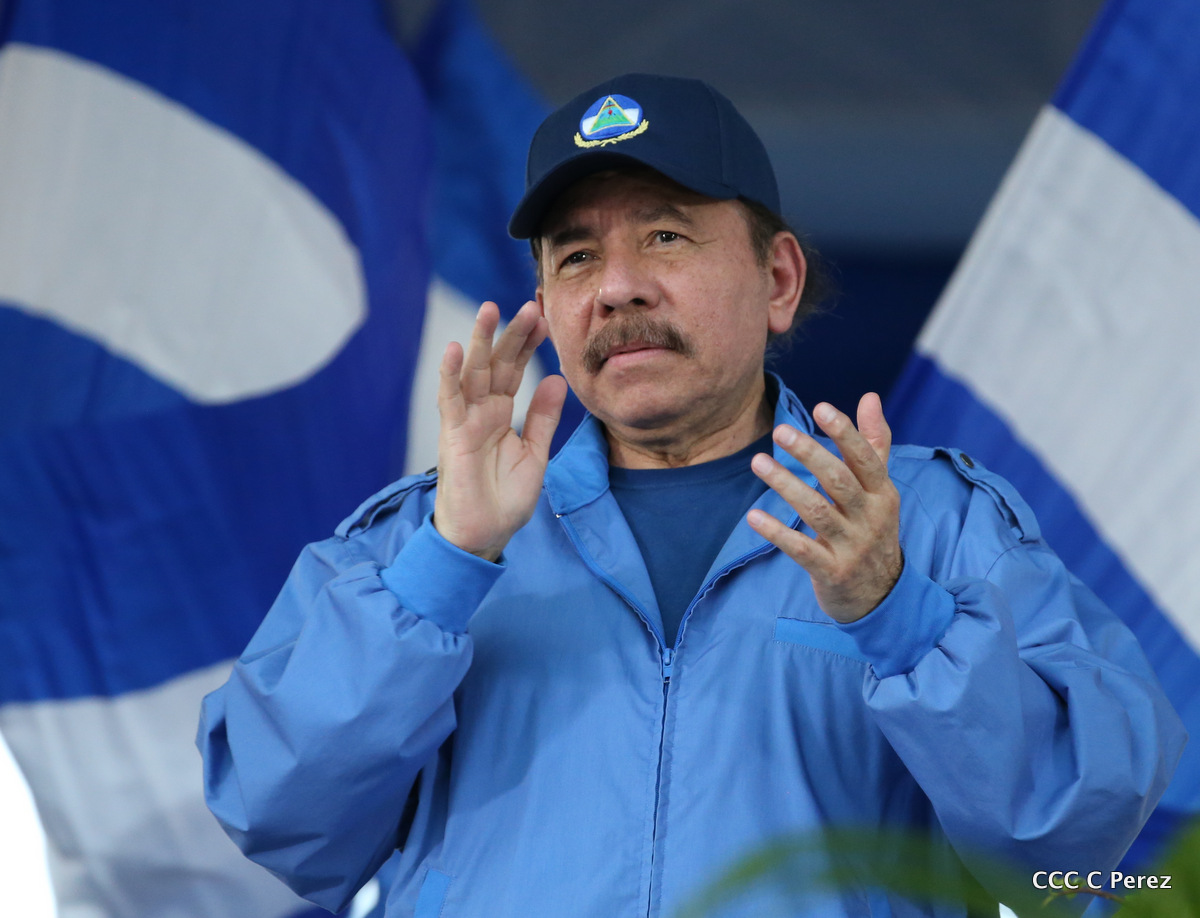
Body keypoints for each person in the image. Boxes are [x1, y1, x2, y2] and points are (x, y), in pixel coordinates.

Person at [198, 74, 1185, 917]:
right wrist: (447, 567)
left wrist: (902, 616)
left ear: (778, 279)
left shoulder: (934, 525)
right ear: (549, 304)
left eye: (665, 236)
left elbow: (1071, 846)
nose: (617, 288)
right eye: (576, 257)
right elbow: (282, 818)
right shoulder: (424, 535)